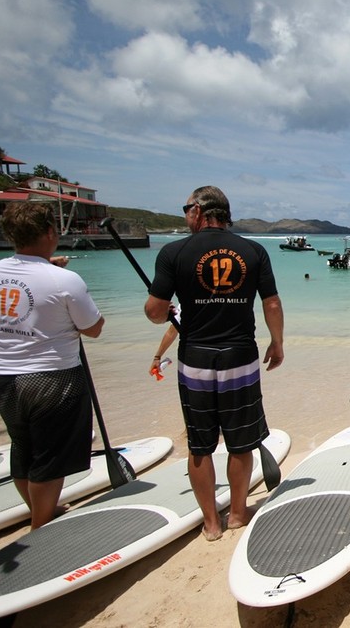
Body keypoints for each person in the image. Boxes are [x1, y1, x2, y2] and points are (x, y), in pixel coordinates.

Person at [145, 186, 284, 541]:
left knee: (199, 444)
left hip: (195, 359)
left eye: (186, 208)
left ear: (200, 211)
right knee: (240, 442)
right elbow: (270, 304)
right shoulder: (253, 251)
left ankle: (210, 523)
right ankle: (237, 513)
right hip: (240, 356)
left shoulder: (173, 252)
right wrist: (277, 343)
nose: (185, 215)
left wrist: (165, 315)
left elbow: (155, 313)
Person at [0, 203, 105, 529]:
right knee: (50, 458)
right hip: (53, 378)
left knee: (23, 450)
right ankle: (42, 523)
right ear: (50, 231)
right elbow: (93, 328)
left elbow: (25, 288)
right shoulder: (64, 279)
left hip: (5, 378)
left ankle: (42, 511)